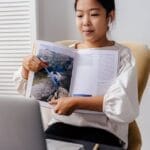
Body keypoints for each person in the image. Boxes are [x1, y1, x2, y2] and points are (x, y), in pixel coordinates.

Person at [13, 0, 139, 149]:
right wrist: (26, 68)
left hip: (103, 134)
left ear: (110, 16)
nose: (86, 22)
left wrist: (76, 102)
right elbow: (28, 92)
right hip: (59, 129)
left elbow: (124, 104)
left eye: (94, 14)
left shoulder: (123, 55)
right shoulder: (64, 53)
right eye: (79, 15)